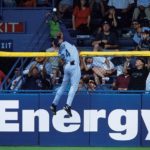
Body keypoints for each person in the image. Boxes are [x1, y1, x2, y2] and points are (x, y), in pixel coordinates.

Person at [50, 39, 81, 117]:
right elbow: (77, 49)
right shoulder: (66, 43)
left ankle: (54, 104)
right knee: (74, 87)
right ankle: (68, 105)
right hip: (74, 65)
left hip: (67, 66)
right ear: (60, 42)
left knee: (62, 87)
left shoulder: (59, 51)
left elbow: (62, 60)